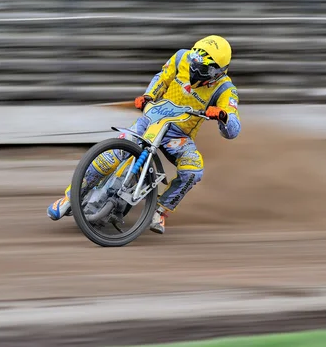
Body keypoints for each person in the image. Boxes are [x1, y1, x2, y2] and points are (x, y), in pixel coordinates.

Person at [47, 35, 241, 234]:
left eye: (202, 68)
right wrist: (149, 96)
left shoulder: (226, 90)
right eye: (194, 62)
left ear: (218, 71)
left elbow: (233, 130)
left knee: (193, 171)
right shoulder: (181, 57)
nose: (195, 69)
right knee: (112, 154)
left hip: (178, 136)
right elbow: (162, 78)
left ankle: (160, 211)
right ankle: (70, 197)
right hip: (151, 121)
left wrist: (223, 116)